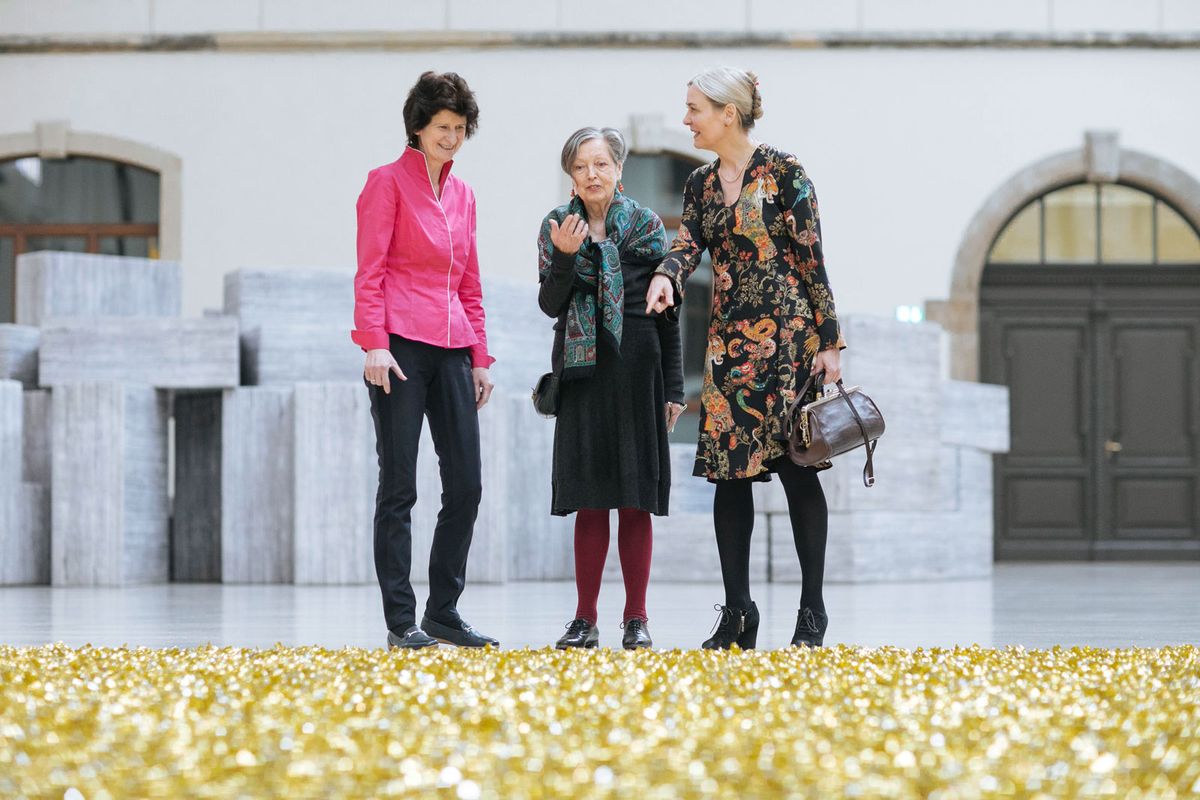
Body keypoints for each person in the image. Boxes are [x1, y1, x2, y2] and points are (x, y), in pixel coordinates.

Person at [646, 67, 845, 649]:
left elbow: (813, 260)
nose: (686, 120)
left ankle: (812, 611)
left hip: (790, 348)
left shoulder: (786, 173)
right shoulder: (701, 186)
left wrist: (830, 342)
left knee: (797, 470)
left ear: (728, 113)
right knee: (728, 481)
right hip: (729, 351)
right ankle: (739, 613)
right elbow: (687, 245)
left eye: (694, 109)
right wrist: (666, 274)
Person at [353, 71, 499, 650]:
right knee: (400, 487)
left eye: (460, 128)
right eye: (443, 127)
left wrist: (480, 356)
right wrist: (374, 343)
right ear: (418, 127)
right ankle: (400, 621)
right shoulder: (385, 183)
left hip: (454, 350)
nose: (452, 137)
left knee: (466, 484)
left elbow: (470, 282)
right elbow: (371, 271)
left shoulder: (463, 196)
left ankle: (444, 611)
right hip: (400, 348)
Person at [537, 127, 685, 650]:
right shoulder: (558, 226)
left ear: (619, 169)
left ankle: (637, 618)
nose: (591, 175)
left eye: (601, 164)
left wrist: (673, 386)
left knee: (635, 499)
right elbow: (551, 304)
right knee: (589, 499)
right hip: (582, 375)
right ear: (570, 175)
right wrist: (563, 257)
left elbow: (669, 315)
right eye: (581, 167)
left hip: (638, 371)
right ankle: (584, 619)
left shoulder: (646, 226)